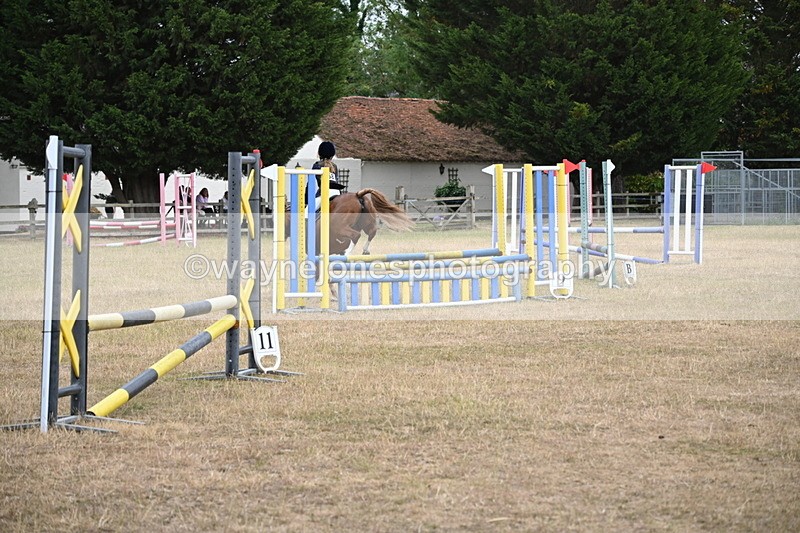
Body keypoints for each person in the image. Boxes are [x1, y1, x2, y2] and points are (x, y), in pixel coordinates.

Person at [311, 141, 346, 211]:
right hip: (337, 192)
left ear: (319, 153)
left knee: (307, 213)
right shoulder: (334, 166)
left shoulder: (317, 165)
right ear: (332, 155)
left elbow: (315, 183)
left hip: (324, 193)